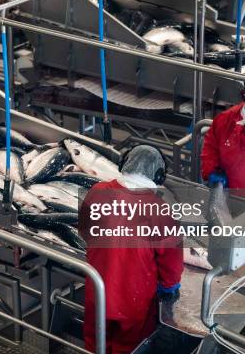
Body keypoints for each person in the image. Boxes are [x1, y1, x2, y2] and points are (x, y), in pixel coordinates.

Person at [80, 145, 183, 353]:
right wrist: (169, 285)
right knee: (129, 346)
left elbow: (85, 230)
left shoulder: (98, 191)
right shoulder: (159, 209)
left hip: (97, 289)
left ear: (124, 164)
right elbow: (170, 259)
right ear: (159, 176)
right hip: (134, 298)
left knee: (95, 340)